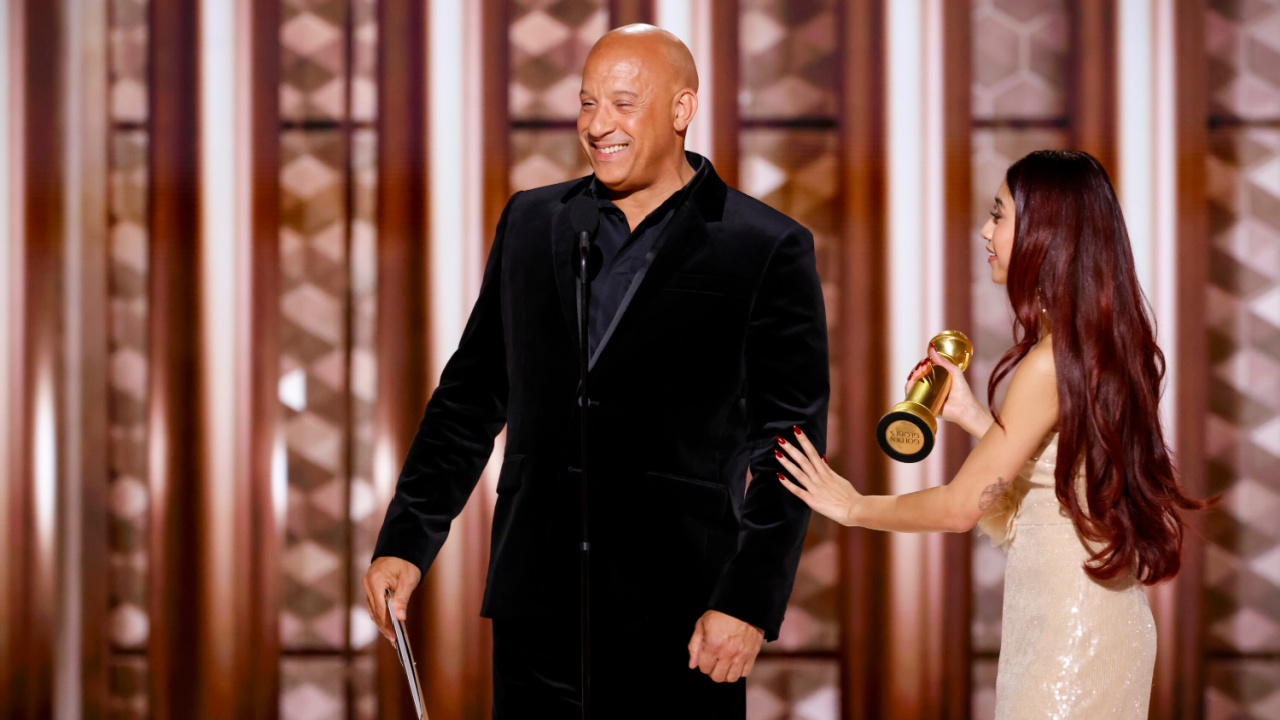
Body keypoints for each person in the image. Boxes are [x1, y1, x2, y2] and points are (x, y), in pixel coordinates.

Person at [362, 24, 830, 718]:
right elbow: (471, 395)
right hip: (536, 610)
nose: (598, 125)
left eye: (621, 104)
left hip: (681, 615)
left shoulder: (764, 247)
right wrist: (407, 537)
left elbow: (789, 445)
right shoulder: (531, 222)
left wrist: (748, 599)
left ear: (681, 108)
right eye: (586, 104)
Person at [777, 150, 1205, 719]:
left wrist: (852, 506)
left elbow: (959, 507)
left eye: (999, 215)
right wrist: (978, 419)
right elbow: (1060, 501)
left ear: (1044, 232)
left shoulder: (1050, 362)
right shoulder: (1094, 346)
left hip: (1066, 639)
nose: (986, 230)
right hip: (1102, 622)